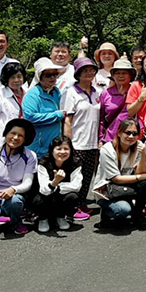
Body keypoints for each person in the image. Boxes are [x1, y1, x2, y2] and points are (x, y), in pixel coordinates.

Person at [93, 118, 146, 229]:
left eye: (135, 134)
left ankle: (137, 217)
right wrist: (145, 176)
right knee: (123, 210)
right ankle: (106, 212)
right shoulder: (107, 150)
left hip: (125, 186)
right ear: (119, 133)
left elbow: (140, 171)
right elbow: (116, 179)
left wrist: (143, 153)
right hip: (107, 190)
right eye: (127, 133)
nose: (131, 136)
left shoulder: (138, 146)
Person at [63, 57, 101, 221]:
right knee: (76, 176)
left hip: (92, 142)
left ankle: (82, 203)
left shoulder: (96, 92)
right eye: (85, 70)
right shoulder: (71, 92)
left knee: (87, 175)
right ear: (78, 73)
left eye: (92, 70)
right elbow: (67, 120)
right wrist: (68, 143)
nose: (89, 73)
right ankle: (72, 208)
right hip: (77, 142)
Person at [33, 135, 82, 232]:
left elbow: (77, 186)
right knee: (39, 198)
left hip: (60, 196)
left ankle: (60, 217)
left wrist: (57, 186)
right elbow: (44, 190)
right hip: (45, 197)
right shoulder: (44, 163)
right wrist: (55, 181)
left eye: (66, 149)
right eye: (59, 149)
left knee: (73, 196)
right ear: (52, 150)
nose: (63, 152)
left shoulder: (75, 163)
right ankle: (43, 219)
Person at [23, 58, 65, 159]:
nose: (52, 78)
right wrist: (57, 115)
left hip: (54, 147)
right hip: (38, 149)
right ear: (39, 76)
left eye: (54, 74)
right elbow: (30, 117)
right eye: (48, 75)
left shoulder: (56, 92)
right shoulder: (32, 94)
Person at [0, 61, 27, 146]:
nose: (16, 80)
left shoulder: (28, 94)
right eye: (12, 77)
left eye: (19, 76)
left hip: (25, 138)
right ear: (6, 79)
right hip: (5, 140)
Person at [99, 56, 136, 144]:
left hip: (130, 139)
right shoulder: (106, 93)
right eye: (117, 73)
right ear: (113, 76)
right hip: (109, 139)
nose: (120, 76)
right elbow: (101, 119)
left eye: (124, 73)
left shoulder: (135, 92)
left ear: (130, 75)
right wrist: (100, 139)